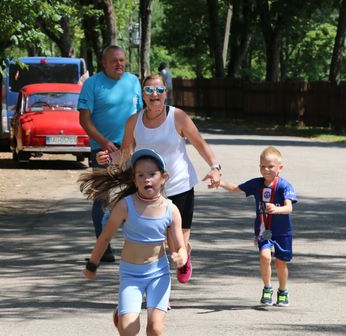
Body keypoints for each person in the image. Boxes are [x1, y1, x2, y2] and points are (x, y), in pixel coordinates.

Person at [79, 149, 187, 336]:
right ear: (134, 179)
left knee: (156, 328)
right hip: (131, 275)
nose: (147, 179)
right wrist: (92, 265)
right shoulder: (125, 205)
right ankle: (121, 315)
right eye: (141, 175)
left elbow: (179, 244)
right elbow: (105, 237)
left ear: (163, 177)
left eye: (152, 174)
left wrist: (181, 256)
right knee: (128, 334)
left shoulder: (171, 210)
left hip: (158, 274)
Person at [96, 74, 222, 284]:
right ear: (142, 95)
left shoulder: (178, 117)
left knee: (177, 244)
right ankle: (161, 292)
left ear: (166, 93)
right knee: (157, 242)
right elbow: (125, 155)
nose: (154, 94)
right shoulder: (134, 122)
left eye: (159, 90)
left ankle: (184, 256)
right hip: (150, 191)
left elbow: (200, 143)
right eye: (149, 90)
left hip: (180, 185)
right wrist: (108, 158)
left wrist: (215, 167)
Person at [78, 45, 143, 262]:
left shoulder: (133, 82)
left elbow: (140, 115)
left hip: (130, 149)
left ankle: (138, 245)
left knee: (137, 197)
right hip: (103, 150)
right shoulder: (92, 84)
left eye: (122, 60)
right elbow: (84, 120)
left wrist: (135, 144)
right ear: (104, 63)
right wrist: (103, 142)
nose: (119, 64)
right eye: (114, 60)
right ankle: (103, 246)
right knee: (102, 199)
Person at [218, 146, 297, 306]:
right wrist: (219, 183)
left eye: (270, 166)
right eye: (262, 166)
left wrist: (277, 209)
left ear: (280, 168)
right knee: (265, 257)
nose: (266, 169)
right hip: (263, 230)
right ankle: (267, 288)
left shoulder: (284, 186)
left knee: (281, 263)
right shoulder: (256, 184)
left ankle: (283, 291)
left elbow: (289, 208)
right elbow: (235, 188)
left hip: (282, 232)